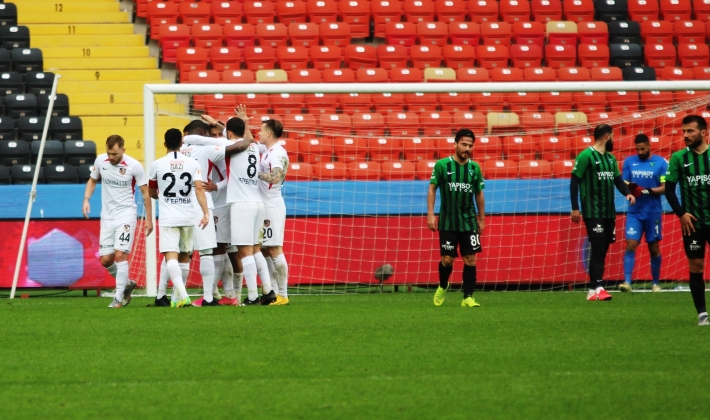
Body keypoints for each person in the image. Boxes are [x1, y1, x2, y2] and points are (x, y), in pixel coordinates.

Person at [184, 106, 269, 306]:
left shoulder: (226, 145)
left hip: (238, 203)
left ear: (227, 133)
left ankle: (250, 296)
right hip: (256, 202)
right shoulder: (255, 146)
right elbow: (242, 137)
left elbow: (214, 140)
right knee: (251, 249)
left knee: (243, 251)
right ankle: (260, 292)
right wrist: (243, 122)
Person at [83, 135, 153, 309]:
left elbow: (145, 193)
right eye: (109, 153)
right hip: (107, 216)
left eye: (114, 153)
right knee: (106, 260)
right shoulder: (101, 161)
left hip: (126, 215)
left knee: (120, 255)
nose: (111, 157)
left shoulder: (134, 166)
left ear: (123, 150)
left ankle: (118, 298)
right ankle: (128, 284)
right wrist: (86, 199)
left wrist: (149, 219)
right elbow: (92, 180)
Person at [570, 124, 635, 302]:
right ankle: (599, 287)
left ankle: (592, 291)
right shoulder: (585, 156)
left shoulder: (611, 159)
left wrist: (628, 193)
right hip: (592, 210)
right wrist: (575, 208)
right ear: (607, 136)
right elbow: (574, 182)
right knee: (598, 247)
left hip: (608, 211)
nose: (614, 139)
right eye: (613, 136)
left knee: (603, 249)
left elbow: (618, 180)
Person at [149, 129, 209, 308]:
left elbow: (152, 191)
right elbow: (199, 189)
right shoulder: (192, 163)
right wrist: (205, 213)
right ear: (182, 144)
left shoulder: (157, 164)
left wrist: (163, 198)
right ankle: (176, 299)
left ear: (164, 144)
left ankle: (182, 296)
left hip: (169, 217)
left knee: (171, 258)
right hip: (188, 216)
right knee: (184, 257)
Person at [427, 128, 485, 308]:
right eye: (464, 144)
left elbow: (479, 194)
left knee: (471, 259)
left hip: (468, 221)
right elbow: (432, 189)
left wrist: (481, 219)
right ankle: (443, 285)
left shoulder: (475, 168)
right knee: (447, 259)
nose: (467, 148)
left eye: (470, 145)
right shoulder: (442, 165)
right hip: (448, 221)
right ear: (455, 144)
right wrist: (430, 214)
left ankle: (467, 297)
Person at [664, 114, 710, 326]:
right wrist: (681, 214)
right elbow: (669, 190)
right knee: (696, 266)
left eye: (690, 131)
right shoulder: (678, 158)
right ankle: (702, 314)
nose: (685, 135)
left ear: (703, 133)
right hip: (693, 222)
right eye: (683, 131)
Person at [179, 120, 226, 307]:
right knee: (206, 252)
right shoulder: (206, 149)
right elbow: (235, 145)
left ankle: (176, 296)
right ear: (201, 133)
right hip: (202, 203)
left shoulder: (176, 152)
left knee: (180, 253)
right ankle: (208, 297)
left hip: (179, 205)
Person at [620, 134, 667, 293]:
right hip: (635, 212)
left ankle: (655, 283)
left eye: (643, 149)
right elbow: (624, 184)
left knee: (654, 248)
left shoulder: (660, 163)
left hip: (653, 212)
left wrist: (645, 191)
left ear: (649, 146)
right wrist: (629, 191)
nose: (640, 152)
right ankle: (627, 282)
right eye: (637, 149)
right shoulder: (629, 162)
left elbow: (665, 188)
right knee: (631, 244)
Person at [256, 119, 290, 305]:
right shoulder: (267, 151)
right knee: (266, 250)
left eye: (261, 131)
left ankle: (283, 295)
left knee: (275, 249)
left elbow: (276, 177)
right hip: (266, 205)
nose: (258, 134)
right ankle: (273, 292)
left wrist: (254, 173)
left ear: (269, 134)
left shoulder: (276, 153)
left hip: (272, 205)